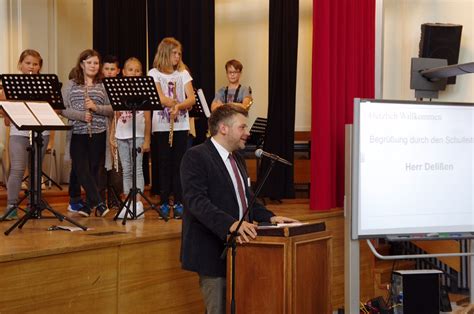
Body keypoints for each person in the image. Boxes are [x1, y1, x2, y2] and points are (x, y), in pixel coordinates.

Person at [180, 104, 296, 314]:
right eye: (242, 127)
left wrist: (271, 218)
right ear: (224, 128)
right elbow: (196, 201)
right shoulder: (196, 156)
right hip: (212, 254)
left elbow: (246, 199)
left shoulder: (238, 159)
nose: (248, 133)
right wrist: (230, 224)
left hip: (242, 253)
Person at [2, 49, 53, 220]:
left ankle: (34, 205)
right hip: (19, 131)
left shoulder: (45, 84)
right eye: (28, 63)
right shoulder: (10, 84)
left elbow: (54, 109)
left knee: (35, 170)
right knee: (17, 168)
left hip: (40, 131)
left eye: (35, 64)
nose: (31, 67)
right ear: (20, 64)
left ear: (40, 67)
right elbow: (5, 115)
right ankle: (11, 206)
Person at [61, 49, 112, 217]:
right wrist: (81, 115)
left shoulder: (103, 85)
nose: (93, 66)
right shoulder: (71, 84)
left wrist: (96, 108)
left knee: (94, 169)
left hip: (99, 132)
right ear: (82, 64)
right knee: (81, 167)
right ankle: (99, 202)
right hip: (78, 132)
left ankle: (87, 206)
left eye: (96, 63)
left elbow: (112, 110)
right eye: (89, 62)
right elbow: (62, 108)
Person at [148, 37, 195, 219]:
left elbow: (191, 98)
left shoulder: (183, 73)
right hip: (161, 126)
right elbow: (160, 97)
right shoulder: (154, 73)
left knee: (179, 164)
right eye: (174, 53)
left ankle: (180, 202)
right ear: (166, 53)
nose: (177, 56)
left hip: (180, 125)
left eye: (179, 53)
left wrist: (179, 107)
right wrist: (173, 103)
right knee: (164, 164)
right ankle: (165, 201)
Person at [110, 57, 151, 219]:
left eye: (137, 70)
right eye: (130, 70)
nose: (134, 73)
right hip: (122, 135)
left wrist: (147, 139)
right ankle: (128, 201)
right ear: (124, 72)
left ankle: (138, 203)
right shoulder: (119, 90)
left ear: (141, 73)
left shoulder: (144, 91)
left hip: (138, 135)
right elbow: (116, 115)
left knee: (137, 169)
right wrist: (113, 134)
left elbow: (147, 119)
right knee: (126, 170)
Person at [100, 55, 123, 212]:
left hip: (118, 130)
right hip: (102, 129)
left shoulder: (120, 87)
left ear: (118, 71)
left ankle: (115, 199)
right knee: (101, 166)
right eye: (106, 69)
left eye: (112, 69)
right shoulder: (98, 86)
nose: (109, 72)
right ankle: (100, 200)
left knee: (116, 167)